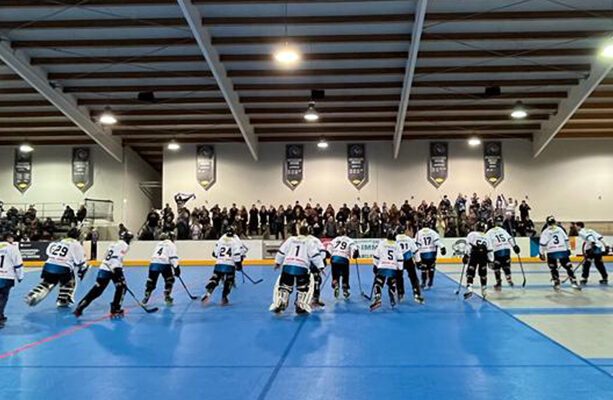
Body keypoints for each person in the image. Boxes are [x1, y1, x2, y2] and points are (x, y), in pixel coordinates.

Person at [74, 232, 134, 318]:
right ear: (128, 239)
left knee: (97, 291)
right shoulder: (124, 245)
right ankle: (115, 309)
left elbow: (108, 256)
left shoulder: (114, 244)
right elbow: (115, 259)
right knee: (121, 287)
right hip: (113, 268)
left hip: (104, 267)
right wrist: (119, 274)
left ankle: (80, 306)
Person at [25, 228, 87, 308]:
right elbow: (80, 262)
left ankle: (34, 294)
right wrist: (82, 271)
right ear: (77, 236)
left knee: (47, 282)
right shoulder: (76, 244)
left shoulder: (59, 242)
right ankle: (63, 300)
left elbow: (48, 251)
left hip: (48, 265)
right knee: (69, 282)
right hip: (63, 268)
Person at [269, 225, 324, 315]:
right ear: (307, 233)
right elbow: (314, 255)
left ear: (299, 232)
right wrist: (320, 267)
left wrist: (277, 262)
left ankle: (281, 302)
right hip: (302, 267)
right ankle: (300, 305)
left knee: (284, 287)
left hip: (288, 265)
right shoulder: (309, 241)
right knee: (303, 288)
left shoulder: (291, 239)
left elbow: (282, 251)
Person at [201, 227, 245, 305]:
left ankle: (208, 294)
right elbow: (237, 255)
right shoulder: (235, 241)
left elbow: (214, 253)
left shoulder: (221, 239)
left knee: (215, 279)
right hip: (230, 266)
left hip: (219, 264)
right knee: (229, 282)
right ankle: (224, 298)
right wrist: (239, 265)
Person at [539, 216, 580, 291]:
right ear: (554, 222)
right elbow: (566, 239)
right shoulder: (559, 229)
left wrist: (541, 253)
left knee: (553, 268)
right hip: (562, 249)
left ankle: (556, 282)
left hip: (551, 251)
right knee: (568, 266)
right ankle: (574, 282)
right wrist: (568, 249)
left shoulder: (545, 231)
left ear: (547, 223)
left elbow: (542, 244)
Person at [143, 232, 180, 305]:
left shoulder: (159, 244)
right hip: (164, 265)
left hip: (153, 264)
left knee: (151, 281)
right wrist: (176, 268)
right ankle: (167, 296)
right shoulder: (171, 245)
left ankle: (146, 296)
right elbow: (173, 257)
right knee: (169, 280)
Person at [370, 230, 403, 311]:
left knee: (377, 284)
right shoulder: (397, 245)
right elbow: (400, 259)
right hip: (393, 268)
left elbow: (376, 256)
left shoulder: (382, 243)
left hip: (382, 267)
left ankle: (378, 298)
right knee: (392, 284)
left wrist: (375, 265)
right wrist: (400, 269)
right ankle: (392, 298)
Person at [486, 216, 520, 290]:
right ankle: (509, 280)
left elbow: (488, 244)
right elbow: (510, 238)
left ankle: (499, 283)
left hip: (497, 251)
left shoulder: (488, 232)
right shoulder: (502, 229)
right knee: (506, 266)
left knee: (497, 268)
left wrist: (489, 258)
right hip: (506, 249)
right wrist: (515, 246)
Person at [462, 221, 494, 299]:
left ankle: (469, 288)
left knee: (470, 271)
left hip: (474, 254)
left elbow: (468, 245)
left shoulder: (472, 234)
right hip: (483, 256)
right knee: (483, 273)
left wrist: (466, 255)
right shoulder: (487, 237)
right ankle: (484, 290)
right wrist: (491, 260)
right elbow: (490, 250)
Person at [327, 227, 359, 299]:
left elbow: (329, 246)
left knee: (335, 275)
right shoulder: (350, 240)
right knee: (345, 275)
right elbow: (354, 249)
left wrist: (329, 253)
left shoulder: (336, 239)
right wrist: (355, 254)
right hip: (344, 259)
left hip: (334, 258)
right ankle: (345, 289)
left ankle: (336, 284)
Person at [0, 233, 24, 328]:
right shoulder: (12, 248)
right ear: (9, 238)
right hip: (6, 276)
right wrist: (20, 276)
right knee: (3, 297)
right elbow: (18, 264)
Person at [395, 228, 424, 304]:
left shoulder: (395, 239)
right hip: (408, 260)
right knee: (413, 277)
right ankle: (416, 293)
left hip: (399, 261)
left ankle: (400, 293)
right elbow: (415, 251)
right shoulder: (409, 239)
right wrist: (418, 262)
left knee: (399, 277)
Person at [308, 231, 328, 308]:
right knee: (316, 280)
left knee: (307, 280)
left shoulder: (301, 239)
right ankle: (314, 298)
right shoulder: (315, 240)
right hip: (314, 262)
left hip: (305, 262)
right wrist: (321, 262)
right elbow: (323, 251)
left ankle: (307, 299)